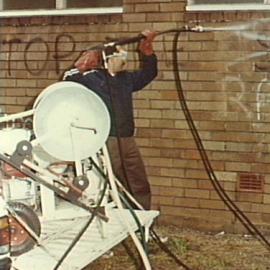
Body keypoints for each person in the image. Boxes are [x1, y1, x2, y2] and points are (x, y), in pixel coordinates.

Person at [63, 30, 157, 210]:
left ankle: (142, 219)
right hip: (106, 140)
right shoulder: (91, 78)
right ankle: (117, 218)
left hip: (127, 138)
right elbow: (67, 78)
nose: (125, 59)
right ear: (109, 59)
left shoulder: (127, 79)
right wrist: (84, 63)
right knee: (110, 184)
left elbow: (149, 73)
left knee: (138, 181)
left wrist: (148, 51)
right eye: (121, 55)